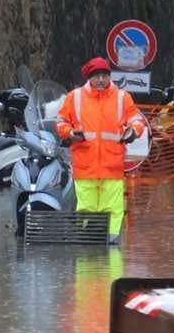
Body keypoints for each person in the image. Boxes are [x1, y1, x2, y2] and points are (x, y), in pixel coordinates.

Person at [54, 57, 147, 245]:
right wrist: (70, 132)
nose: (101, 80)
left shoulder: (122, 97)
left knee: (113, 207)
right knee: (86, 208)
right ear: (89, 78)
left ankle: (112, 244)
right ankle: (88, 243)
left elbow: (137, 120)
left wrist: (133, 131)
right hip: (85, 164)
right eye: (97, 76)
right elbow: (61, 121)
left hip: (111, 166)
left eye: (105, 75)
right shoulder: (75, 97)